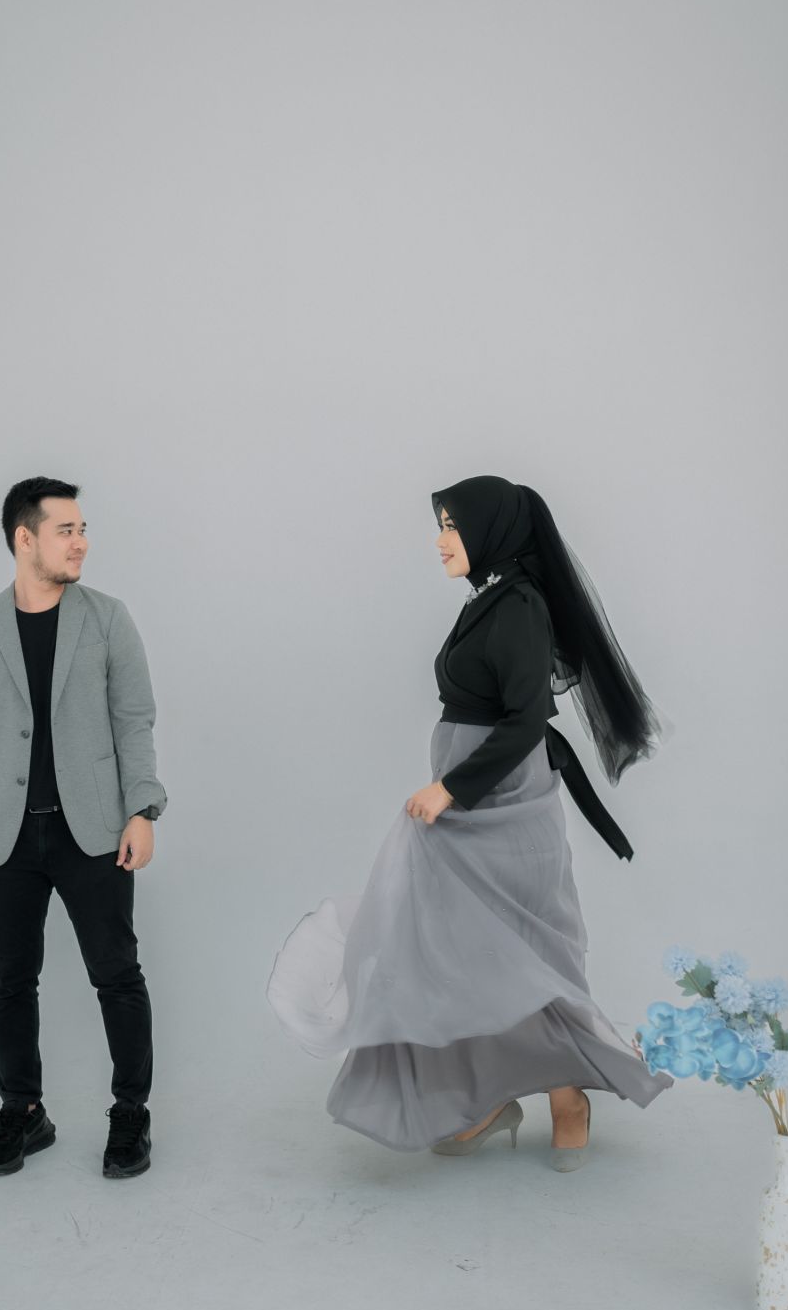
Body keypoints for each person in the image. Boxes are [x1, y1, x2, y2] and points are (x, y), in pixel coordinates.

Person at [266, 475, 673, 1170]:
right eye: (442, 525)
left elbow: (525, 720)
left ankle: (568, 1098)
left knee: (524, 956)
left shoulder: (519, 605)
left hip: (503, 809)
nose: (440, 540)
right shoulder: (491, 597)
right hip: (475, 807)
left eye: (452, 525)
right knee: (463, 954)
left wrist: (451, 788)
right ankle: (489, 1098)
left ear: (490, 530)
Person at [0, 476, 167, 1179]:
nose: (81, 542)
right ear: (25, 538)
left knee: (117, 975)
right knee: (9, 980)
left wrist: (142, 810)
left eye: (82, 529)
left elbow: (134, 720)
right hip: (3, 836)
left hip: (92, 831)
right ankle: (24, 1112)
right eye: (66, 530)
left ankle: (130, 1113)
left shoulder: (108, 618)